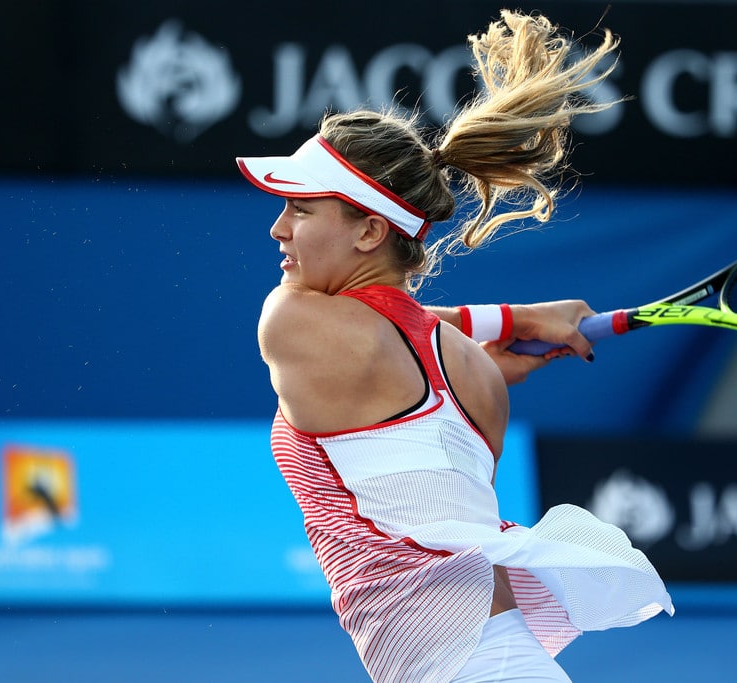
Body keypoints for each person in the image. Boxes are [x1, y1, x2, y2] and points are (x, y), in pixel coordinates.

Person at [236, 10, 673, 682]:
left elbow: (390, 328)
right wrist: (513, 317)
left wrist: (514, 317)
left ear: (367, 232)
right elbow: (406, 327)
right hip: (495, 659)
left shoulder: (290, 320)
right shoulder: (475, 372)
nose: (278, 228)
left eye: (301, 208)